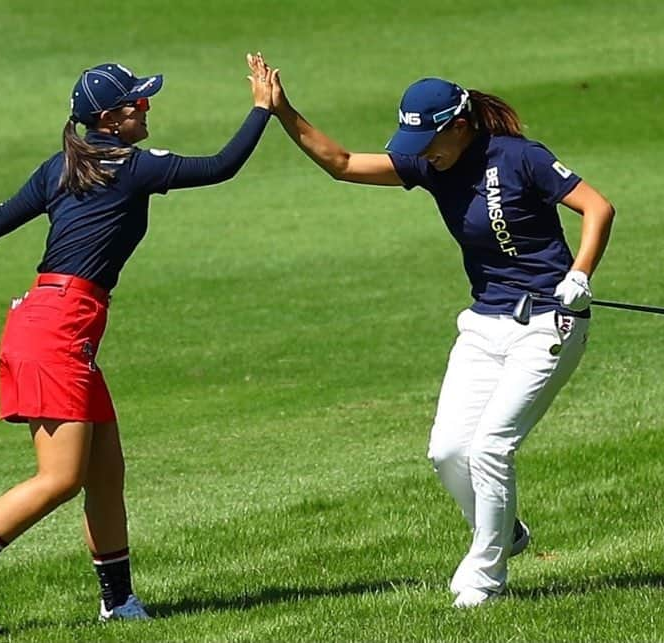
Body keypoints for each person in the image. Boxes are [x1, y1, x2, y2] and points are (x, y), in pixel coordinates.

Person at [0, 56, 274, 636]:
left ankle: (118, 603)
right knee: (61, 477)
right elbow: (222, 165)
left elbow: (1, 216)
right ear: (112, 118)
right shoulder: (129, 167)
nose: (148, 108)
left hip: (60, 326)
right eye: (140, 103)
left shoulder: (65, 166)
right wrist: (261, 108)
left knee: (105, 475)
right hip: (55, 332)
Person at [255, 55, 615, 608]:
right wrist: (283, 111)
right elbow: (343, 162)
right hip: (485, 324)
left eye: (428, 142)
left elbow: (597, 207)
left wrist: (578, 275)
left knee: (492, 447)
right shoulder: (429, 166)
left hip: (549, 322)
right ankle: (505, 532)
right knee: (448, 451)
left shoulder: (521, 158)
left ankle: (484, 580)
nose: (420, 154)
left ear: (460, 126)